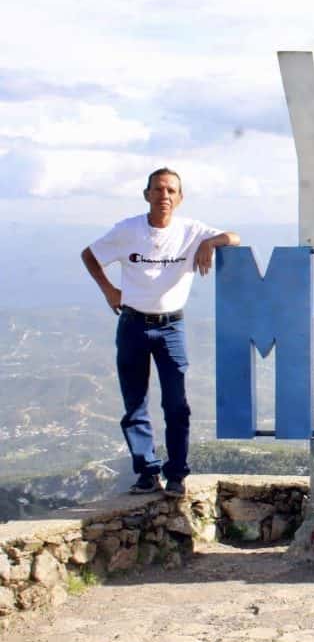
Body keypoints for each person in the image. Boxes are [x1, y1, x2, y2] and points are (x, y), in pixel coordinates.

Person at [81, 168, 239, 497]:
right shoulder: (128, 230)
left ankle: (177, 475)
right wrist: (109, 290)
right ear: (146, 194)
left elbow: (233, 237)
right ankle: (147, 473)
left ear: (180, 198)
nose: (164, 195)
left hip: (171, 327)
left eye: (171, 190)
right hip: (133, 324)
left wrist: (210, 242)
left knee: (177, 404)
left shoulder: (191, 230)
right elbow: (90, 255)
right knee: (135, 404)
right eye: (158, 189)